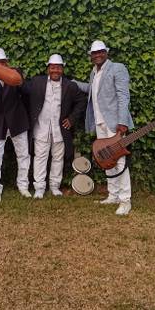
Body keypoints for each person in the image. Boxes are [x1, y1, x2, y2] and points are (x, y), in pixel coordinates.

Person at [74, 40, 134, 215]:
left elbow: (124, 96)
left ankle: (125, 200)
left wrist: (122, 121)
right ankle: (113, 195)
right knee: (107, 159)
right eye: (94, 53)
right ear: (91, 56)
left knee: (120, 160)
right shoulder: (94, 72)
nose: (97, 55)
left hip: (115, 124)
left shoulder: (117, 68)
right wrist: (71, 82)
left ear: (106, 52)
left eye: (100, 52)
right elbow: (91, 90)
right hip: (100, 123)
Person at [24, 54, 86, 199]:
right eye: (52, 68)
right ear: (48, 69)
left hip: (60, 130)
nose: (55, 70)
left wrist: (71, 118)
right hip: (41, 128)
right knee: (40, 157)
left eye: (58, 68)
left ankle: (54, 186)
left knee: (58, 158)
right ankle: (39, 188)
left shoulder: (70, 86)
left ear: (62, 69)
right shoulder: (36, 82)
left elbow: (82, 100)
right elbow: (23, 90)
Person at [0, 48, 32, 202]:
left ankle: (23, 185)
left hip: (17, 120)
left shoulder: (15, 72)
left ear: (7, 62)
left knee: (23, 154)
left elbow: (27, 92)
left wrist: (19, 81)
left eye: (2, 62)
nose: (0, 65)